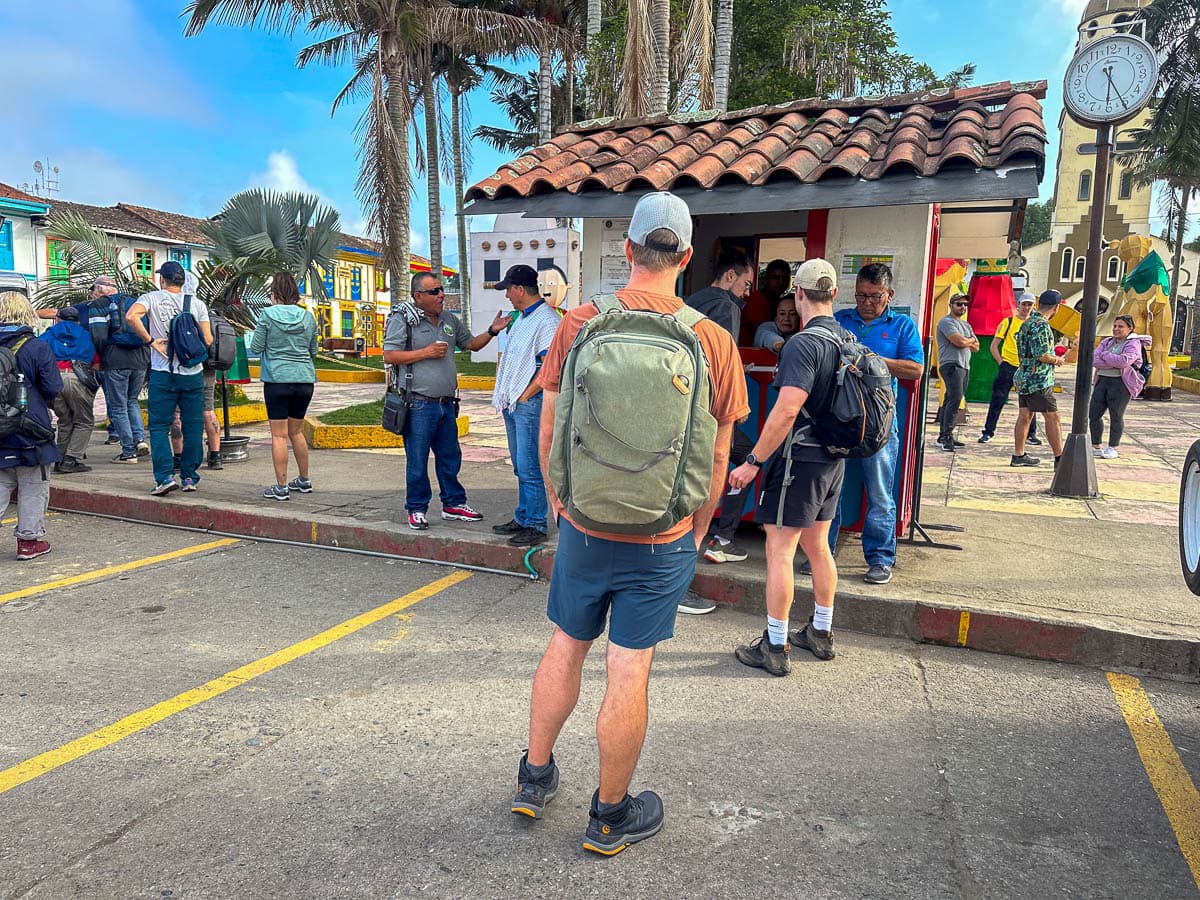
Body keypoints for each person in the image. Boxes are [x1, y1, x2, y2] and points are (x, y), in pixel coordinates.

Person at [513, 191, 747, 854]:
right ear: (689, 257)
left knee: (565, 644)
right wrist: (697, 528)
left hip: (585, 525)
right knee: (628, 667)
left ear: (627, 250)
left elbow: (551, 422)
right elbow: (719, 452)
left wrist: (560, 500)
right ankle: (609, 815)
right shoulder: (713, 341)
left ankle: (534, 778)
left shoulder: (580, 321)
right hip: (662, 536)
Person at [729, 258, 845, 676]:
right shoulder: (846, 340)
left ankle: (774, 646)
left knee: (780, 550)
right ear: (833, 294)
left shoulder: (802, 344)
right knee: (819, 546)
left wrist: (753, 461)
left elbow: (786, 410)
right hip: (834, 460)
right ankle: (821, 632)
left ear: (798, 295)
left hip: (800, 459)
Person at [801, 262, 923, 585]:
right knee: (830, 492)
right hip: (840, 420)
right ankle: (821, 554)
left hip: (880, 424)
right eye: (860, 296)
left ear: (890, 295)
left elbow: (915, 369)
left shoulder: (902, 327)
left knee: (880, 493)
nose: (866, 303)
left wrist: (871, 360)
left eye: (874, 297)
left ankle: (881, 559)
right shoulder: (840, 320)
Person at [382, 271, 508, 530]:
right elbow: (390, 355)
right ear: (418, 296)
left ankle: (453, 504)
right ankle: (416, 508)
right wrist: (426, 352)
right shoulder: (404, 319)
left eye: (441, 290)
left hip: (447, 403)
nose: (441, 295)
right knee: (417, 459)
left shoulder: (449, 319)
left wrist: (493, 331)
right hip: (418, 403)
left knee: (450, 457)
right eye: (434, 291)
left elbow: (471, 344)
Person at [36, 276, 151, 464]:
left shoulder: (93, 309)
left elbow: (98, 338)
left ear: (102, 289)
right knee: (129, 402)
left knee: (112, 407)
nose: (91, 293)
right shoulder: (133, 303)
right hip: (137, 361)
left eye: (94, 290)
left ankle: (126, 451)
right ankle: (138, 440)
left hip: (110, 362)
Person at [125, 261, 213, 496]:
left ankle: (164, 477)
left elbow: (131, 316)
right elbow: (208, 339)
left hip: (163, 374)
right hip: (192, 374)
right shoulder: (197, 304)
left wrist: (151, 341)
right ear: (182, 281)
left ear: (162, 280)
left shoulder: (151, 298)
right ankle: (189, 478)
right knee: (193, 426)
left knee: (159, 426)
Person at [488, 265, 560, 546]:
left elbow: (549, 368)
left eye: (508, 289)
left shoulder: (546, 320)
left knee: (530, 465)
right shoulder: (522, 318)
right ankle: (523, 515)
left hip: (529, 403)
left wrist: (526, 395)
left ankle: (536, 523)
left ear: (520, 289)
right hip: (515, 402)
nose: (506, 295)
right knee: (520, 464)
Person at [0, 291, 63, 560]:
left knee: (1, 481)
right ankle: (29, 541)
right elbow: (53, 387)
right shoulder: (36, 347)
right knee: (33, 484)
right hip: (29, 427)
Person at [251, 272, 319, 501]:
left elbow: (257, 346)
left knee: (279, 435)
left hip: (277, 380)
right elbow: (313, 351)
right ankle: (304, 479)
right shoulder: (307, 317)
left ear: (274, 293)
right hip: (304, 380)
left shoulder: (267, 315)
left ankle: (281, 486)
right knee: (296, 431)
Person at [1012, 290, 1066, 468]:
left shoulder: (1027, 323)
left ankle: (1019, 455)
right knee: (1053, 416)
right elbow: (1042, 354)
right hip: (1039, 378)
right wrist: (1057, 359)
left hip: (1024, 375)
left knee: (1025, 415)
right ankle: (1060, 457)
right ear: (1056, 308)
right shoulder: (1041, 325)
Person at [42, 307, 99, 474]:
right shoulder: (85, 335)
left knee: (65, 419)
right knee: (84, 421)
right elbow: (96, 361)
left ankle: (59, 459)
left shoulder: (50, 333)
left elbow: (38, 354)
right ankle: (71, 459)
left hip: (54, 379)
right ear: (77, 320)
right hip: (76, 378)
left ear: (58, 319)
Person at [979, 293, 1040, 446]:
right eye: (1024, 304)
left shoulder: (1035, 324)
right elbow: (994, 345)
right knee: (998, 399)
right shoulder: (1008, 322)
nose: (1026, 308)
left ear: (1034, 307)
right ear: (1018, 305)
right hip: (1008, 365)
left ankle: (1031, 434)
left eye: (1029, 305)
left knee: (1030, 402)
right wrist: (1001, 362)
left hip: (1027, 367)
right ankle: (988, 431)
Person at [1090, 314, 1150, 460]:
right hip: (1102, 380)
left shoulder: (1133, 343)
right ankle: (1095, 445)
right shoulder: (1107, 342)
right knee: (1094, 414)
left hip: (1120, 384)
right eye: (1115, 326)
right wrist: (1110, 358)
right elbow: (1094, 360)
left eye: (1121, 326)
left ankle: (1112, 447)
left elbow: (1124, 361)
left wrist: (1105, 356)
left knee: (1116, 415)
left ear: (1130, 329)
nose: (1116, 329)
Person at [935, 294, 978, 453]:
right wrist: (968, 341)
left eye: (965, 304)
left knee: (951, 398)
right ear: (951, 305)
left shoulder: (966, 325)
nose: (962, 307)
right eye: (959, 304)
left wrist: (966, 341)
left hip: (964, 365)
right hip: (951, 365)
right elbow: (958, 342)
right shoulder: (946, 322)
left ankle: (944, 435)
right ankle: (946, 436)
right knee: (955, 399)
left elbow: (977, 347)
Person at [684, 250, 752, 338]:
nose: (747, 293)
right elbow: (723, 350)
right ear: (730, 275)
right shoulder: (726, 307)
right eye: (747, 284)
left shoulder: (690, 300)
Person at [739, 258, 790, 346]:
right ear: (766, 279)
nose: (780, 282)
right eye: (775, 278)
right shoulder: (756, 299)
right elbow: (763, 330)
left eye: (784, 278)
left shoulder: (779, 301)